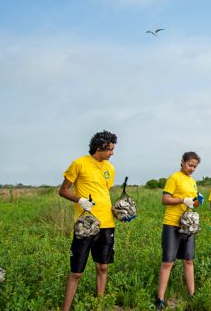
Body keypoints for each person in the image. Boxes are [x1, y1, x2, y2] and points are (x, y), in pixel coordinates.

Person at [59, 130, 123, 311]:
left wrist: (117, 210)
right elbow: (63, 190)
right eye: (110, 149)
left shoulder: (110, 168)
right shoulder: (79, 164)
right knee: (77, 272)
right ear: (99, 147)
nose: (112, 153)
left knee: (103, 267)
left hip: (107, 223)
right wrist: (79, 200)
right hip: (86, 225)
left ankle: (99, 306)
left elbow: (104, 193)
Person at [156, 152, 203, 309]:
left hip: (188, 225)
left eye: (195, 166)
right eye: (190, 165)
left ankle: (191, 294)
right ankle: (160, 299)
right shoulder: (174, 178)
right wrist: (183, 199)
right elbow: (165, 199)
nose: (192, 169)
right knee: (168, 262)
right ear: (182, 162)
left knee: (189, 260)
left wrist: (197, 202)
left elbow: (192, 203)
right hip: (172, 224)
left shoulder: (193, 182)